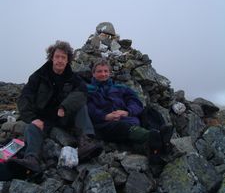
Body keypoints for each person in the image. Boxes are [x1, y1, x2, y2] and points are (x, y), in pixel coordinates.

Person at [8, 40, 102, 175]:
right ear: (51, 58)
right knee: (31, 128)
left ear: (68, 60)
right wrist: (32, 118)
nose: (60, 60)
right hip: (43, 119)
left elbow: (82, 93)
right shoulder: (38, 76)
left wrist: (65, 107)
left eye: (63, 57)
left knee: (82, 107)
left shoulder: (73, 78)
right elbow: (25, 98)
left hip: (64, 117)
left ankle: (85, 143)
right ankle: (32, 159)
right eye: (57, 57)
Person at [87, 58, 173, 162]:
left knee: (149, 111)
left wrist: (127, 112)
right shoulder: (88, 91)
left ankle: (157, 141)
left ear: (110, 73)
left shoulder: (121, 88)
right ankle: (155, 137)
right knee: (121, 126)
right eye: (99, 71)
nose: (103, 74)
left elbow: (136, 102)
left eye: (106, 71)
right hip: (107, 125)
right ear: (93, 74)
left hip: (128, 119)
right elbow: (89, 109)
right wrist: (105, 116)